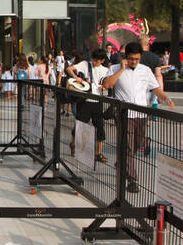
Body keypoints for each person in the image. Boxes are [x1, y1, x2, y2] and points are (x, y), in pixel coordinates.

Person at [101, 41, 173, 193]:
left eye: (136, 59)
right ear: (126, 57)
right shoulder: (115, 68)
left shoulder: (145, 70)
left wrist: (166, 99)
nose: (133, 62)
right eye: (131, 58)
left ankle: (122, 162)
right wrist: (121, 69)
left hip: (141, 114)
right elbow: (107, 85)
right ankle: (132, 179)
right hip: (124, 115)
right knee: (127, 146)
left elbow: (155, 88)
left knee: (138, 144)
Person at [68, 49, 110, 164]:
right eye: (93, 59)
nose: (94, 62)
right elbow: (69, 69)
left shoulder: (106, 70)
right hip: (86, 100)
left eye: (97, 60)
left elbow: (109, 83)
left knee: (100, 127)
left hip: (98, 101)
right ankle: (73, 144)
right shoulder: (85, 64)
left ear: (102, 60)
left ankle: (98, 153)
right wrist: (76, 77)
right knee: (80, 124)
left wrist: (105, 87)